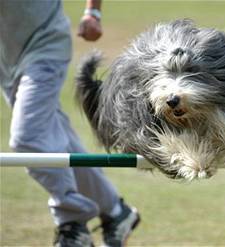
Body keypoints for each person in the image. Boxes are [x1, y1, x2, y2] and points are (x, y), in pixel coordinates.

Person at [0, 1, 140, 246]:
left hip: (45, 46)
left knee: (28, 138)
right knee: (56, 139)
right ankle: (116, 212)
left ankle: (72, 220)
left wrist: (93, 12)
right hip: (5, 59)